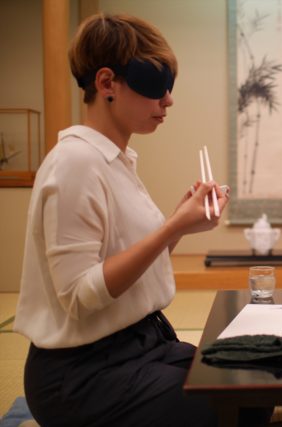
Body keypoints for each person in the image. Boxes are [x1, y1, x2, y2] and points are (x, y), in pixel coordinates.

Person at [12, 13, 247, 427]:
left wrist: (180, 223)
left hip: (138, 343)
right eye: (156, 84)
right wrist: (172, 226)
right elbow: (80, 296)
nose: (168, 100)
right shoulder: (74, 164)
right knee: (228, 406)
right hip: (81, 373)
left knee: (247, 384)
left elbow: (129, 263)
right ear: (107, 83)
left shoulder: (115, 161)